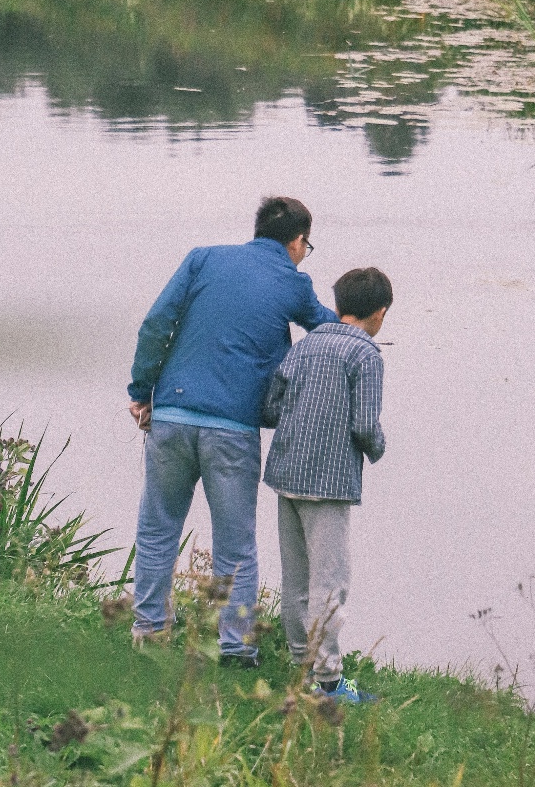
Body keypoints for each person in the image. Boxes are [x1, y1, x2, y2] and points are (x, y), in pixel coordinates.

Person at [126, 195, 338, 663]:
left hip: (174, 416)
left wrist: (143, 390)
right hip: (232, 430)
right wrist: (363, 325)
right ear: (298, 241)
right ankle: (237, 647)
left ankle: (150, 630)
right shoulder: (294, 283)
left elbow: (157, 323)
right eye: (307, 245)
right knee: (236, 542)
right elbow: (328, 330)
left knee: (158, 527)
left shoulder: (203, 259)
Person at [261, 265, 392, 703]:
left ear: (336, 307)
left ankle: (302, 666)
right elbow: (364, 425)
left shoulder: (303, 347)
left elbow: (271, 408)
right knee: (330, 583)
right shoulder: (366, 356)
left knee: (296, 579)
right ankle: (329, 681)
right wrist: (378, 449)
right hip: (330, 482)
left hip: (286, 474)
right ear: (380, 313)